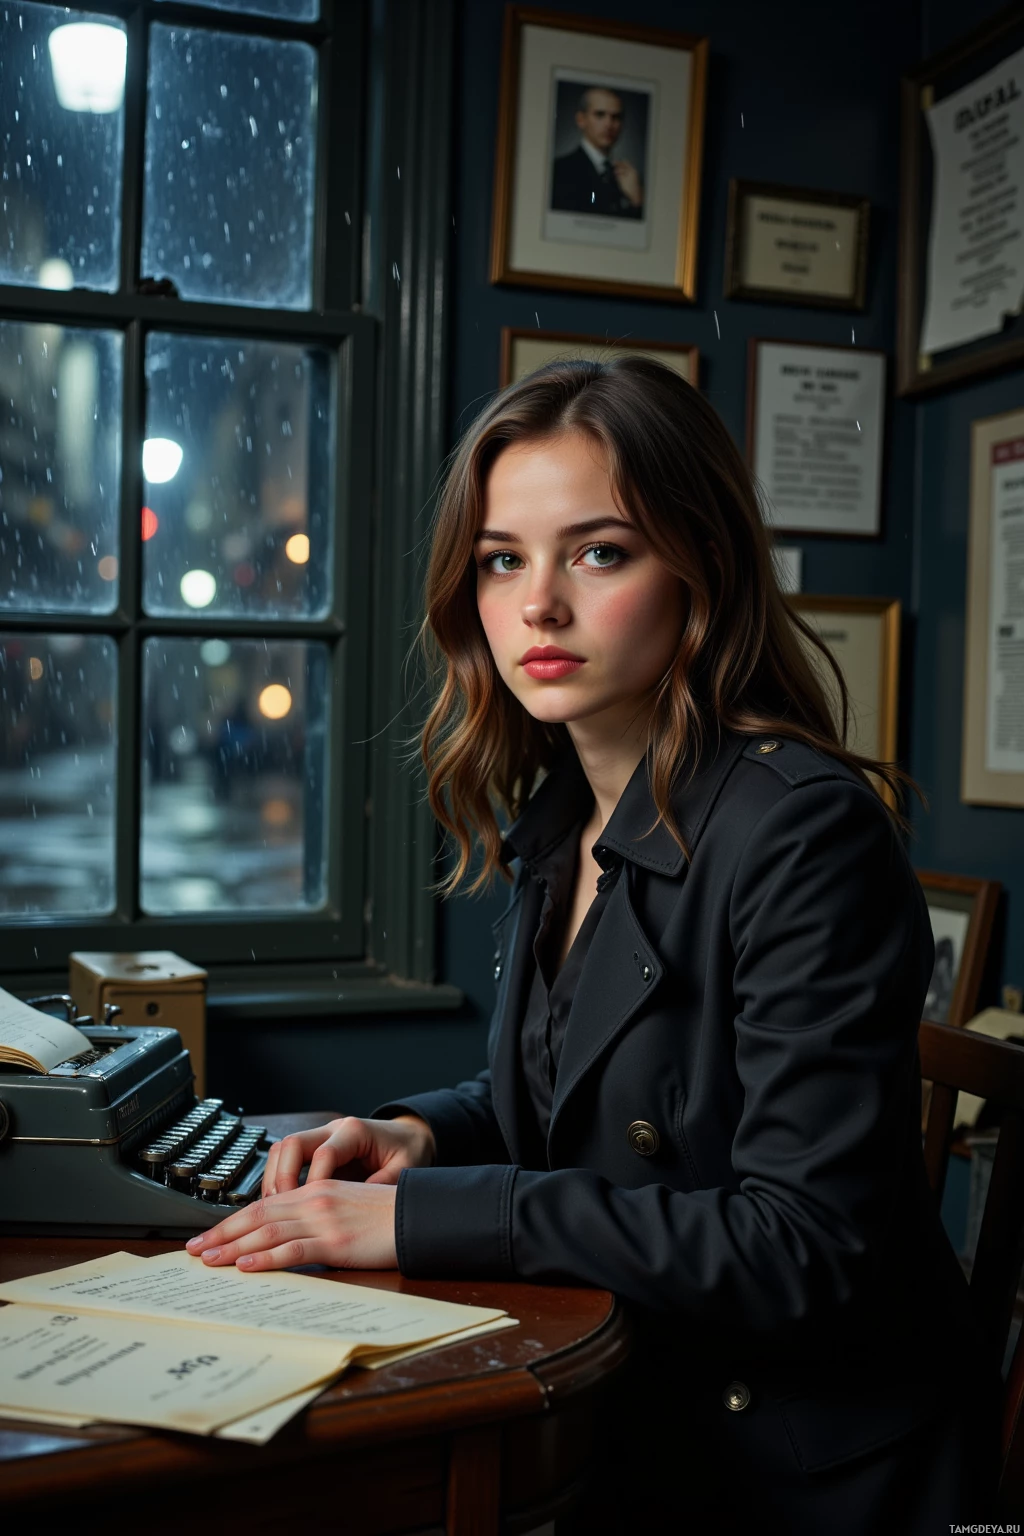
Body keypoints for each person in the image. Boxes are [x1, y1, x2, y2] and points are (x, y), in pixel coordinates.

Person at [186, 358, 1000, 1533]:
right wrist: (420, 1133)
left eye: (599, 551)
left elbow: (803, 1243)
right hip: (631, 1407)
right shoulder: (563, 816)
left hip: (798, 1468)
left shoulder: (802, 829)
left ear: (700, 569)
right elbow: (580, 1094)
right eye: (502, 558)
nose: (538, 606)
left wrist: (422, 1217)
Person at [550, 86, 643, 218]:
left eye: (616, 117)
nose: (609, 124)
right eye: (600, 114)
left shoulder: (631, 178)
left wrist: (638, 202)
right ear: (581, 120)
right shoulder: (559, 171)